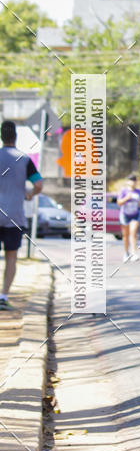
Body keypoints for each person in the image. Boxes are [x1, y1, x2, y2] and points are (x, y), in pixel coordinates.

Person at [0, 120, 44, 310]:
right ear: (15, 137)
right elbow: (39, 184)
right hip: (14, 216)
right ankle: (3, 296)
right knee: (11, 257)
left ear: (1, 136)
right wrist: (30, 194)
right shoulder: (24, 159)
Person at [117, 173, 140, 262]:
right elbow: (119, 203)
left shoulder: (138, 192)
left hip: (135, 214)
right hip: (125, 215)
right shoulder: (124, 191)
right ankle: (126, 253)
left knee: (133, 233)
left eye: (134, 180)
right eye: (131, 180)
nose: (132, 182)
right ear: (128, 182)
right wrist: (126, 198)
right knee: (125, 235)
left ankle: (134, 253)